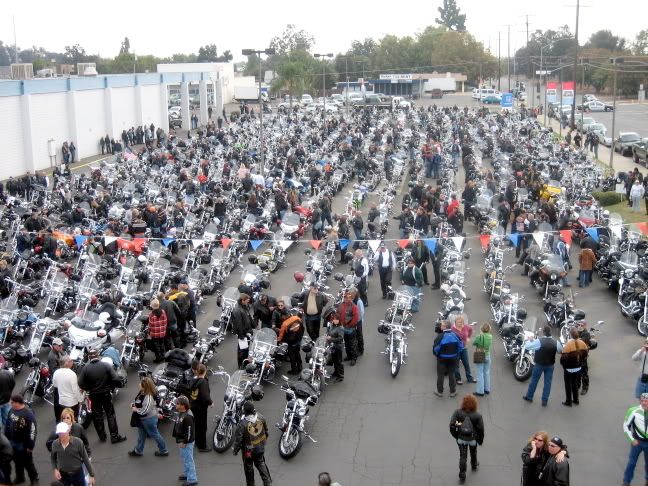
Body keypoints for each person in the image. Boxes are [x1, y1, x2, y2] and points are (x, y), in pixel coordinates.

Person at [77, 348, 127, 444]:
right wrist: (113, 385)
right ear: (98, 356)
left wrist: (88, 388)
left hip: (94, 395)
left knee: (97, 416)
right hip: (106, 394)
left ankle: (102, 436)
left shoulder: (86, 368)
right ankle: (114, 436)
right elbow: (115, 378)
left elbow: (80, 383)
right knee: (110, 414)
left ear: (89, 357)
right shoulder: (106, 365)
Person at [233, 401, 272, 486]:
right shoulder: (261, 417)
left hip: (249, 452)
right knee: (261, 463)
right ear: (253, 409)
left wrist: (235, 450)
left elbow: (238, 440)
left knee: (248, 467)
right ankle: (268, 482)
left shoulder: (242, 424)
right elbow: (266, 431)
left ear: (244, 411)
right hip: (260, 447)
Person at [128, 377, 168, 457]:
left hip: (148, 420)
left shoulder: (148, 397)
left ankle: (163, 451)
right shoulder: (142, 392)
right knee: (141, 436)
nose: (139, 384)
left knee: (155, 435)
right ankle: (138, 451)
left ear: (145, 386)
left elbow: (145, 410)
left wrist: (136, 409)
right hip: (142, 419)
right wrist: (133, 404)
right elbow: (137, 400)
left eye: (141, 383)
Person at [523, 326, 562, 406]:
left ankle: (529, 397)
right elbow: (560, 350)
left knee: (534, 381)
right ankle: (544, 400)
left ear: (543, 332)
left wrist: (530, 340)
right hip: (550, 365)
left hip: (539, 364)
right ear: (550, 332)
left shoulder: (539, 341)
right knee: (548, 383)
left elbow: (527, 346)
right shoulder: (556, 342)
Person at [449, 394, 484, 484]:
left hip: (461, 439)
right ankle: (474, 465)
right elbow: (481, 430)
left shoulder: (457, 412)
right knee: (473, 452)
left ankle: (462, 475)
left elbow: (452, 426)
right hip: (473, 439)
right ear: (474, 404)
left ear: (463, 403)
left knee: (463, 456)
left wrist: (456, 436)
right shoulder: (477, 415)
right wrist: (480, 440)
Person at [6, 394, 38, 485]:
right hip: (12, 442)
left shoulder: (28, 414)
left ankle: (34, 478)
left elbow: (33, 431)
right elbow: (8, 424)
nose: (10, 404)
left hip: (23, 444)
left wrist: (30, 446)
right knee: (17, 461)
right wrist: (6, 437)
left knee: (28, 463)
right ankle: (20, 477)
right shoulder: (11, 411)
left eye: (12, 402)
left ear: (17, 403)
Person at [50, 421, 95, 486]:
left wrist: (91, 475)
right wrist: (55, 469)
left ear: (68, 430)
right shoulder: (55, 444)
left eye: (63, 433)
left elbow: (85, 459)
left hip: (78, 474)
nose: (61, 435)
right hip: (63, 475)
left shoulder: (78, 442)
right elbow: (52, 457)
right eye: (59, 433)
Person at [623, 393, 648, 486]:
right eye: (642, 401)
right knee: (631, 463)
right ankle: (626, 482)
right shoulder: (633, 411)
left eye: (646, 401)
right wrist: (632, 439)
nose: (644, 403)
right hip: (637, 442)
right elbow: (626, 426)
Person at [434, 321, 464, 398]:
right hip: (453, 358)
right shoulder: (455, 335)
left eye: (442, 325)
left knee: (440, 375)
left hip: (441, 359)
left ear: (444, 327)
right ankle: (452, 391)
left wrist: (438, 355)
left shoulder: (440, 336)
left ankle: (440, 392)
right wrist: (457, 355)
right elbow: (461, 346)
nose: (441, 326)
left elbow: (435, 349)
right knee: (452, 373)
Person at [560, 328, 588, 407]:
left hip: (569, 369)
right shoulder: (582, 343)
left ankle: (568, 401)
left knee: (568, 384)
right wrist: (580, 361)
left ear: (571, 335)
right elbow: (585, 354)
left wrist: (564, 366)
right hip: (578, 368)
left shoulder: (568, 344)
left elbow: (563, 359)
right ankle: (576, 400)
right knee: (575, 383)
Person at [173, 396, 197, 486]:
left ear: (183, 406)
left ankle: (192, 479)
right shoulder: (181, 413)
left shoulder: (188, 417)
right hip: (181, 441)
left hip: (186, 443)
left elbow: (189, 432)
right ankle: (187, 474)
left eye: (178, 403)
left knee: (189, 460)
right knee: (185, 459)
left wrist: (184, 442)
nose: (176, 405)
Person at [52, 357, 84, 423]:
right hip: (72, 402)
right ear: (67, 363)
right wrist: (81, 399)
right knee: (73, 420)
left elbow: (55, 385)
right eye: (71, 361)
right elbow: (75, 390)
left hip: (62, 402)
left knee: (64, 420)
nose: (73, 362)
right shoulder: (72, 374)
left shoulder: (56, 372)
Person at [189, 364, 213, 452]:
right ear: (205, 371)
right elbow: (205, 397)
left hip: (193, 405)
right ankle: (202, 446)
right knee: (202, 426)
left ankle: (196, 440)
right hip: (200, 407)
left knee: (196, 424)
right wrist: (211, 403)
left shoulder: (193, 380)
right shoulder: (203, 382)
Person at [231, 293, 255, 368]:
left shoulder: (244, 306)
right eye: (247, 301)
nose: (248, 302)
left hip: (247, 331)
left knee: (246, 348)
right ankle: (241, 364)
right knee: (242, 350)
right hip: (243, 333)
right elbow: (238, 324)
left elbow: (248, 316)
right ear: (242, 300)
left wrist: (253, 325)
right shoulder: (237, 310)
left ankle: (244, 362)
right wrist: (241, 335)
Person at [452, 316, 476, 385]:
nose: (460, 324)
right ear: (455, 322)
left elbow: (470, 329)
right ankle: (458, 379)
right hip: (455, 350)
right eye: (458, 322)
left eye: (461, 322)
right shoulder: (452, 329)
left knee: (466, 363)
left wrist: (468, 337)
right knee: (456, 365)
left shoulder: (466, 327)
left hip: (464, 348)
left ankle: (469, 378)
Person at [338, 292, 360, 366]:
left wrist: (350, 325)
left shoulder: (354, 306)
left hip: (351, 329)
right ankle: (349, 356)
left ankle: (354, 358)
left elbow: (355, 318)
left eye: (348, 298)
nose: (346, 299)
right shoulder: (341, 305)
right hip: (343, 328)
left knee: (352, 344)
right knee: (346, 343)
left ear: (351, 298)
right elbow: (338, 314)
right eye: (345, 297)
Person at [472, 323, 492, 396]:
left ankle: (480, 391)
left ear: (482, 329)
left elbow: (474, 343)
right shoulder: (490, 336)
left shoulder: (479, 336)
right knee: (486, 372)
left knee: (480, 373)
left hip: (480, 354)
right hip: (487, 355)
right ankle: (487, 389)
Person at [326, 313, 345, 382]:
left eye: (337, 319)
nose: (335, 320)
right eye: (334, 319)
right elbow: (329, 333)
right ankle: (336, 372)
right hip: (332, 346)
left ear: (339, 320)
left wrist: (330, 339)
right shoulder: (332, 326)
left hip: (338, 347)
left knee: (339, 361)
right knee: (334, 360)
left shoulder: (340, 328)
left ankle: (341, 376)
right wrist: (327, 335)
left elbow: (340, 338)